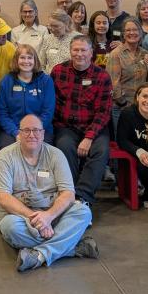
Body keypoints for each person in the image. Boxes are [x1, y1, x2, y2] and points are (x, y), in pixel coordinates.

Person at [0, 114, 98, 272]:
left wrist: (48, 216)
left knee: (83, 211)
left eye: (36, 130)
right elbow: (4, 199)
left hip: (53, 216)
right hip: (19, 216)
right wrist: (36, 220)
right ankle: (72, 247)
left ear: (43, 133)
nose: (32, 135)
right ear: (19, 134)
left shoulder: (56, 155)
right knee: (10, 227)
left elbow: (68, 193)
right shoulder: (5, 157)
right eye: (26, 130)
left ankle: (40, 254)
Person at [51, 36, 112, 207]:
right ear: (70, 51)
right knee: (64, 147)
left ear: (91, 53)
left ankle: (81, 197)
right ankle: (69, 192)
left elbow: (104, 112)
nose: (79, 54)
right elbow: (52, 104)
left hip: (95, 127)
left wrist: (89, 137)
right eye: (75, 50)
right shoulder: (57, 72)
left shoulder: (102, 76)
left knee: (101, 151)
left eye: (83, 50)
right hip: (66, 126)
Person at [0, 44, 56, 148]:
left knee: (40, 150)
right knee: (8, 150)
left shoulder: (46, 81)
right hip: (12, 129)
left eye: (29, 58)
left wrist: (33, 131)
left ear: (35, 60)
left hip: (40, 129)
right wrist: (16, 132)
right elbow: (2, 113)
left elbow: (48, 112)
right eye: (22, 57)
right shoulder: (7, 81)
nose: (26, 61)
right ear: (16, 60)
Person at [106, 18, 148, 131]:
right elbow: (113, 83)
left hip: (142, 107)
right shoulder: (116, 54)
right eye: (128, 30)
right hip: (122, 108)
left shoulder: (144, 53)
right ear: (123, 34)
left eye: (135, 30)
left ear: (141, 32)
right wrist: (123, 103)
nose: (132, 33)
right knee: (122, 144)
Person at [40, 10, 75, 74]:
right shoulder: (47, 39)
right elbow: (41, 64)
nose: (52, 29)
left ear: (66, 24)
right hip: (50, 79)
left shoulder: (77, 39)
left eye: (56, 26)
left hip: (70, 79)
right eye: (50, 26)